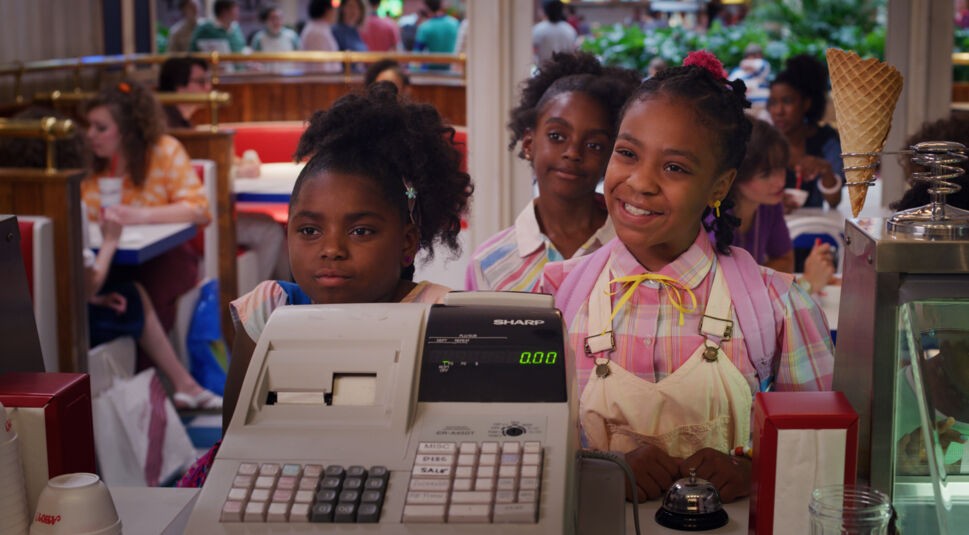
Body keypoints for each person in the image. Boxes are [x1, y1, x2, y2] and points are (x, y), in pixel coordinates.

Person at [542, 52, 834, 503]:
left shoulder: (778, 307)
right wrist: (599, 468)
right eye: (627, 153)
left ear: (719, 186)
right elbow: (528, 451)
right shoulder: (558, 299)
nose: (640, 182)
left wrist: (756, 473)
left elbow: (823, 462)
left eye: (674, 167)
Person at [223, 82, 472, 431]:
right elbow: (236, 439)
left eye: (360, 231)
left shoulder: (440, 319)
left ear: (406, 243)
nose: (332, 250)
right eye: (310, 231)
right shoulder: (268, 312)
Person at [0, 106, 221, 410]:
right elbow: (87, 286)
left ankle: (181, 387)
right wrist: (109, 243)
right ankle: (181, 387)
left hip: (14, 330)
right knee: (132, 295)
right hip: (56, 333)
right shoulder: (63, 203)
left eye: (100, 127)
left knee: (128, 291)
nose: (91, 136)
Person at [466, 52, 639, 292]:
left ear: (610, 155)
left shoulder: (635, 247)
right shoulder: (488, 263)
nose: (573, 152)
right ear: (529, 144)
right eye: (557, 136)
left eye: (594, 145)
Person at [82, 81, 210, 334]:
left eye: (101, 128)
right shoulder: (88, 163)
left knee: (146, 289)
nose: (90, 135)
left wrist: (140, 215)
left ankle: (145, 369)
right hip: (105, 260)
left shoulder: (164, 151)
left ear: (128, 130)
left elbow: (199, 210)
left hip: (166, 256)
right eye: (89, 126)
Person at [727, 118, 835, 295]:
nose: (780, 181)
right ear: (736, 175)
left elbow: (785, 261)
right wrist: (807, 284)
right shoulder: (712, 217)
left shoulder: (769, 204)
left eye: (781, 168)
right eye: (766, 174)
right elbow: (726, 293)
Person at [768, 54, 844, 210]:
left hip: (811, 227)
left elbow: (834, 201)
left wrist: (826, 171)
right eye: (773, 102)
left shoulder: (826, 140)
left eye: (787, 101)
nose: (779, 111)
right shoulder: (763, 141)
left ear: (806, 103)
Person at [157, 56, 211, 128]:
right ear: (178, 85)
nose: (208, 87)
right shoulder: (164, 123)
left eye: (208, 80)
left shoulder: (180, 121)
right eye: (201, 81)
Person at [250, 4, 301, 74]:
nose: (277, 22)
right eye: (273, 18)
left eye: (279, 18)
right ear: (266, 20)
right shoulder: (259, 38)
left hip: (289, 77)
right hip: (267, 78)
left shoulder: (292, 36)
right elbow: (255, 62)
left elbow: (299, 58)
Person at [414, 0, 459, 69]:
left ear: (427, 8)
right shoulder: (454, 23)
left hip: (431, 71)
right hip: (452, 70)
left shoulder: (425, 27)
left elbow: (417, 53)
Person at [300, 0, 341, 73]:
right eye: (333, 9)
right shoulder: (317, 31)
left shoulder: (321, 28)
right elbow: (321, 67)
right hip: (321, 81)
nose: (335, 13)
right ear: (327, 11)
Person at [532, 0, 577, 65]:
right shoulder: (569, 29)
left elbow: (533, 52)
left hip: (544, 69)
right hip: (564, 70)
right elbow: (573, 50)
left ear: (545, 11)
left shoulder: (538, 29)